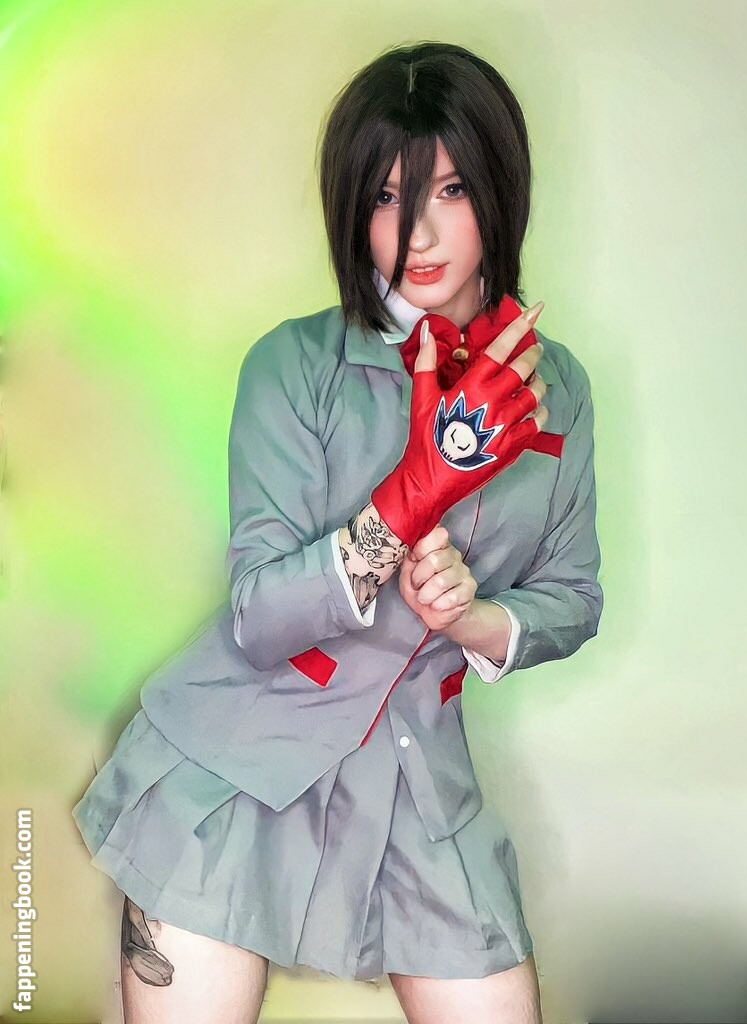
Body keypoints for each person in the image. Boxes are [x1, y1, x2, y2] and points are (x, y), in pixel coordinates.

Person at [72, 40, 603, 1024]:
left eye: (450, 189)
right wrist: (414, 491)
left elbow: (572, 596)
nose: (419, 232)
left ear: (499, 188)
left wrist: (474, 618)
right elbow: (258, 618)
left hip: (421, 784)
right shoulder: (292, 366)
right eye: (388, 197)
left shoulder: (556, 386)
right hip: (236, 764)